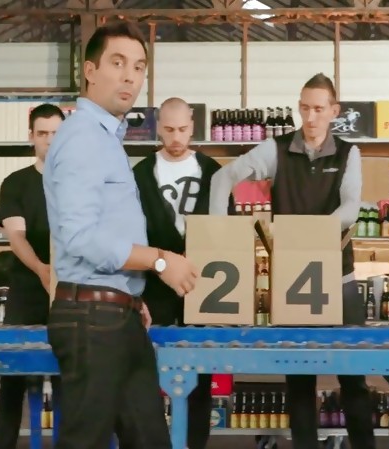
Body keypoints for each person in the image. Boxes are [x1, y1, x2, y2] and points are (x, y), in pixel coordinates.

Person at [42, 21, 199, 449]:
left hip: (116, 315)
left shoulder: (107, 139)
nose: (130, 76)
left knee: (149, 439)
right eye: (117, 63)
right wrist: (159, 260)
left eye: (139, 66)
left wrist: (128, 295)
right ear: (90, 70)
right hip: (92, 321)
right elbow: (80, 237)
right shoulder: (82, 137)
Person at [209, 73, 375, 449]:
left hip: (340, 279)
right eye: (304, 108)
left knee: (355, 379)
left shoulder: (349, 153)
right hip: (292, 283)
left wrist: (310, 235)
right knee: (300, 383)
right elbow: (224, 176)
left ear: (334, 111)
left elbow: (350, 207)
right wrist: (218, 233)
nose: (310, 117)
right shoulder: (277, 149)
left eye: (318, 109)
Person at [132, 97, 233, 449]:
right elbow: (129, 234)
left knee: (201, 374)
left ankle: (195, 444)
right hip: (153, 285)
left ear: (193, 127)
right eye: (169, 129)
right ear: (158, 128)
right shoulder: (140, 175)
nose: (176, 137)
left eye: (183, 129)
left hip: (202, 285)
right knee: (146, 371)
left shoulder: (215, 173)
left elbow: (229, 231)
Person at [0, 103, 65, 449]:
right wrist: (42, 270)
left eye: (56, 133)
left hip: (70, 291)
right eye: (43, 133)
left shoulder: (79, 183)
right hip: (26, 290)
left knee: (68, 377)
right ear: (31, 137)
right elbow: (16, 236)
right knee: (12, 377)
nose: (49, 140)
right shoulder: (16, 183)